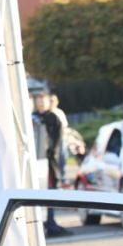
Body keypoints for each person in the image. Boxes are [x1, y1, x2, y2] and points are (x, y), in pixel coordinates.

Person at [33, 91, 71, 237]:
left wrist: (51, 155)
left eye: (44, 100)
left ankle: (50, 221)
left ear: (49, 102)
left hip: (48, 163)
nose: (41, 103)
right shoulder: (33, 117)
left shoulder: (53, 118)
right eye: (39, 100)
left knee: (50, 192)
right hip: (36, 163)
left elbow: (57, 141)